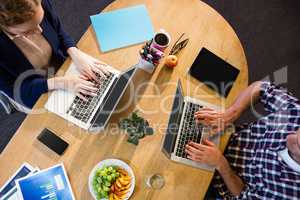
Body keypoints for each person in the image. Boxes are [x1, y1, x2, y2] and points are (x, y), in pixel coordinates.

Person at [185, 81, 300, 199]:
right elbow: (262, 88)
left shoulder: (291, 193)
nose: (290, 135)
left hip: (215, 184)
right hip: (225, 135)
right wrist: (229, 115)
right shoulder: (297, 114)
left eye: (297, 144)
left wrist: (221, 163)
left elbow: (243, 195)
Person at [0, 0, 109, 110]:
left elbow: (58, 31)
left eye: (40, 21)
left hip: (60, 68)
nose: (40, 30)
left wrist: (74, 52)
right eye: (28, 31)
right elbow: (17, 91)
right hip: (31, 89)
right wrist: (60, 82)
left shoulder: (38, 3)